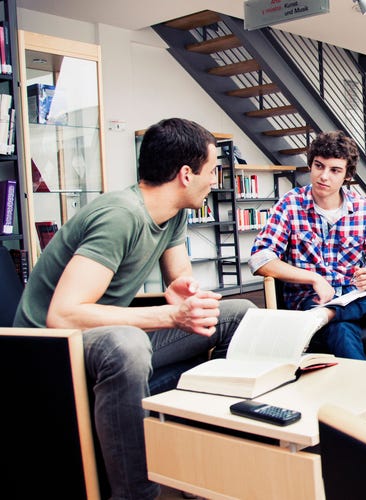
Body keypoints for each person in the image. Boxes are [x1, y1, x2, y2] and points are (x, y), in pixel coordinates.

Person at [13, 118, 255, 500]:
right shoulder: (119, 216)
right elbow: (63, 315)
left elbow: (180, 278)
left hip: (101, 337)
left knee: (238, 314)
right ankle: (135, 494)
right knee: (128, 343)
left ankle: (202, 451)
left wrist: (184, 293)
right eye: (213, 171)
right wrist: (170, 316)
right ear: (186, 174)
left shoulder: (174, 212)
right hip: (51, 349)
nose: (216, 181)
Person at [249, 130, 366, 359]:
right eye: (319, 166)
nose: (324, 176)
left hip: (355, 297)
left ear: (347, 175)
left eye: (335, 170)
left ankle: (331, 313)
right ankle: (335, 321)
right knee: (341, 329)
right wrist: (314, 278)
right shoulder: (290, 204)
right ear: (311, 165)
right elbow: (260, 258)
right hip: (311, 302)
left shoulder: (364, 209)